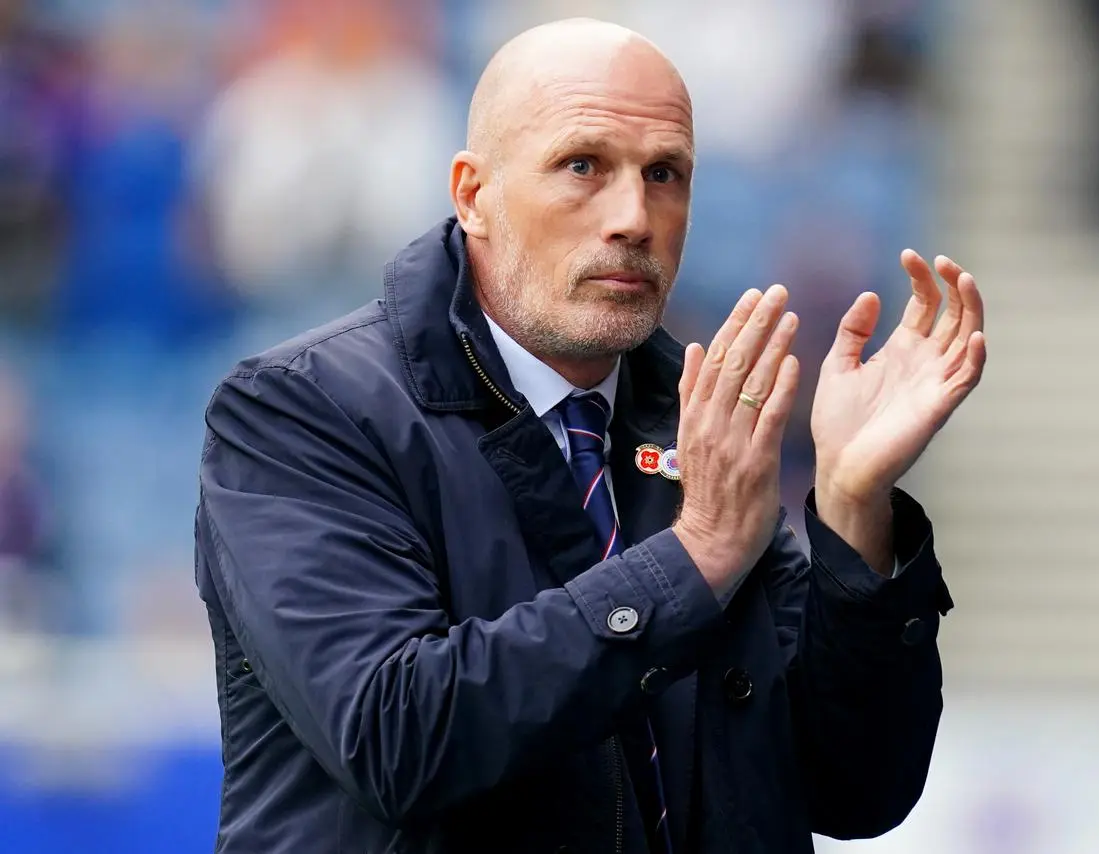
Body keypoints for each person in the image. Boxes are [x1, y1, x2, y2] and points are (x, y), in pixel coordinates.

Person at [194, 18, 986, 854]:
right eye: (584, 166)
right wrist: (696, 557)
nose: (634, 217)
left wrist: (852, 513)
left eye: (665, 174)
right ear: (473, 196)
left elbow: (857, 788)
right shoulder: (299, 412)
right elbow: (400, 740)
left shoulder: (696, 424)